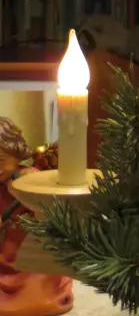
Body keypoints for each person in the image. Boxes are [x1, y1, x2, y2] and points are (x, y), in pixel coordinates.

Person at [0, 117, 73, 316]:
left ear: (17, 155)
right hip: (3, 258)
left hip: (30, 260)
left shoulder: (30, 178)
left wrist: (28, 192)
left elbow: (49, 219)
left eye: (1, 161)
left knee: (37, 297)